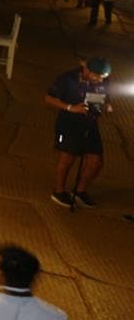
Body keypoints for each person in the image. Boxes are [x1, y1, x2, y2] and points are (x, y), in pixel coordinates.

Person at [46, 57, 112, 208]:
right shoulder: (68, 78)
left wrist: (107, 105)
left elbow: (105, 95)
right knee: (68, 157)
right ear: (87, 70)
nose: (100, 81)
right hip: (69, 122)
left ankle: (80, 191)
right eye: (97, 77)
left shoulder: (103, 78)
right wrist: (71, 108)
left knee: (96, 161)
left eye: (103, 78)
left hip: (90, 123)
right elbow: (48, 98)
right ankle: (58, 191)